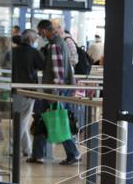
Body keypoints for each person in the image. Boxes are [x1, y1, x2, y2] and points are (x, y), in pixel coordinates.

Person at [34, 19, 81, 165]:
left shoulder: (54, 45)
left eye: (39, 31)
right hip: (58, 90)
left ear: (43, 30)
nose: (39, 34)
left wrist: (54, 95)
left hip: (55, 91)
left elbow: (58, 72)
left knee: (56, 121)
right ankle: (37, 154)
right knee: (46, 119)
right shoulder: (61, 42)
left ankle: (73, 153)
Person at [10, 29, 45, 159]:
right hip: (28, 91)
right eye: (35, 38)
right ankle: (12, 145)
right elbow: (43, 65)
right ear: (31, 39)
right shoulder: (34, 52)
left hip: (15, 89)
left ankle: (27, 149)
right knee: (22, 121)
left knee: (21, 119)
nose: (36, 40)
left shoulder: (13, 52)